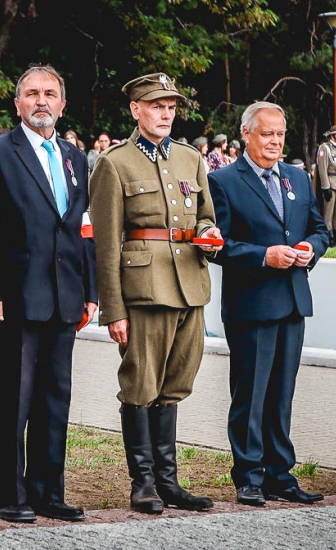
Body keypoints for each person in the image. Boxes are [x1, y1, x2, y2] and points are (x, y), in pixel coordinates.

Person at [88, 72, 223, 515]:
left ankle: (168, 482)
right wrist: (114, 310)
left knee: (175, 384)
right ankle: (142, 483)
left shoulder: (190, 158)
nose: (166, 113)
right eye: (156, 105)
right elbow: (106, 243)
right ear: (136, 110)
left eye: (171, 106)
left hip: (190, 283)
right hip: (144, 290)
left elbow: (205, 215)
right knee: (141, 386)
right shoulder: (114, 162)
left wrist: (208, 233)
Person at [0, 64, 97, 524]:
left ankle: (49, 492)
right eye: (31, 93)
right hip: (17, 298)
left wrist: (91, 290)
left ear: (62, 103)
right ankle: (10, 495)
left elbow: (83, 229)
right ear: (18, 103)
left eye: (49, 93)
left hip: (66, 295)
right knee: (15, 400)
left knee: (55, 397)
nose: (41, 100)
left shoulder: (75, 156)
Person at [208, 101, 329, 507]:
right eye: (267, 134)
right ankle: (249, 476)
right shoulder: (224, 181)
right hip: (252, 305)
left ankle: (281, 475)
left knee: (281, 396)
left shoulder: (298, 177)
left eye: (280, 134)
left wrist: (311, 248)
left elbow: (320, 229)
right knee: (251, 395)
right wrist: (264, 256)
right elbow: (217, 246)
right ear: (246, 134)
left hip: (293, 301)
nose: (275, 141)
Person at [315, 125, 336, 245]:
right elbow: (322, 168)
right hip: (330, 182)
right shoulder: (325, 148)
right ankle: (327, 236)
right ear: (332, 135)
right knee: (328, 212)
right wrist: (325, 186)